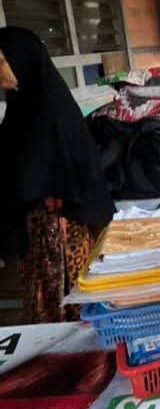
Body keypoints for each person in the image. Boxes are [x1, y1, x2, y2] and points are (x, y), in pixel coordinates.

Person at [0, 27, 114, 323]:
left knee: (62, 305)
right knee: (44, 303)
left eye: (1, 61)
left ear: (22, 60)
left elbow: (32, 174)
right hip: (39, 230)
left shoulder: (49, 113)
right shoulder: (22, 106)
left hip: (59, 231)